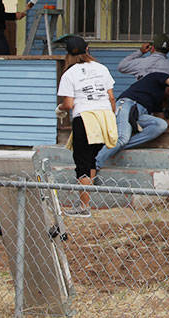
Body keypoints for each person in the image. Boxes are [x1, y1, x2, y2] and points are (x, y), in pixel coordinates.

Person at [56, 35, 116, 217]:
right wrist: (110, 116)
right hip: (104, 117)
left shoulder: (69, 74)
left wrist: (59, 109)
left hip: (85, 119)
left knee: (82, 162)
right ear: (87, 49)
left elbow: (68, 103)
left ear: (67, 54)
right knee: (90, 158)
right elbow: (111, 97)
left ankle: (84, 207)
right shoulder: (102, 68)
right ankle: (87, 200)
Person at [94, 69, 169, 169]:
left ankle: (114, 147)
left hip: (139, 114)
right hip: (127, 104)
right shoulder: (156, 77)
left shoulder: (159, 98)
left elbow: (161, 118)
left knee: (160, 125)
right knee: (122, 138)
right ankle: (94, 165)